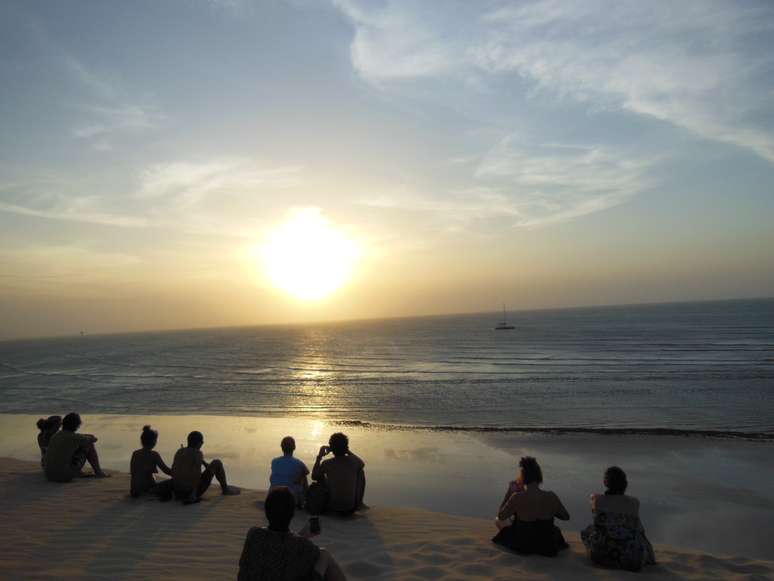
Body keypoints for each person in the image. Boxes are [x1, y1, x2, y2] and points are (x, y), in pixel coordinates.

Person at [238, 486, 347, 581]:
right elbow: (290, 547)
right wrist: (303, 537)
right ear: (292, 514)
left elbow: (280, 544)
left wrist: (302, 535)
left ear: (266, 512)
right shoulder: (303, 546)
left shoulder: (253, 534)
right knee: (324, 555)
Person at [581, 466, 656, 571]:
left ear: (606, 483)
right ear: (625, 483)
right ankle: (648, 557)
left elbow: (594, 502)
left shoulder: (596, 499)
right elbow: (639, 530)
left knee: (587, 531)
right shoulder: (634, 502)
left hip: (601, 555)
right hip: (630, 558)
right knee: (637, 528)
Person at [493, 456, 570, 556]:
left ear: (522, 478)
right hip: (546, 545)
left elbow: (501, 516)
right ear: (539, 477)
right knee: (553, 529)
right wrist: (551, 510)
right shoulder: (551, 496)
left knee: (498, 520)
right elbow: (566, 517)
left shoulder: (517, 497)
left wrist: (509, 493)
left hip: (524, 546)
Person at [171, 430, 239, 502]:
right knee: (217, 462)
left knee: (213, 465)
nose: (202, 443)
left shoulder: (180, 451)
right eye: (202, 441)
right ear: (198, 443)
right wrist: (193, 494)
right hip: (189, 492)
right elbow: (196, 475)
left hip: (177, 491)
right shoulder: (197, 453)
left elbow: (174, 471)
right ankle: (225, 490)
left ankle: (225, 489)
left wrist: (202, 461)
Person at [44, 412, 109, 482]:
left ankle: (79, 472)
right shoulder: (74, 437)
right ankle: (98, 472)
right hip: (63, 476)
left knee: (71, 450)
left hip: (49, 476)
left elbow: (75, 437)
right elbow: (94, 439)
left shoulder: (56, 436)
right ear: (76, 426)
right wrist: (89, 437)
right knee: (88, 445)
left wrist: (83, 436)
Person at [311, 433, 365, 515]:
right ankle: (360, 502)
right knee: (360, 472)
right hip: (351, 508)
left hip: (332, 507)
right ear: (346, 446)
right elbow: (361, 464)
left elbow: (314, 476)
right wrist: (347, 451)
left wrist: (319, 456)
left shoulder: (327, 463)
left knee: (320, 478)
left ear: (331, 448)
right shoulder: (354, 461)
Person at [130, 425, 173, 499]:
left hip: (134, 489)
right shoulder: (154, 454)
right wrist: (179, 473)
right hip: (148, 488)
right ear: (154, 441)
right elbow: (166, 471)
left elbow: (133, 472)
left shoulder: (135, 453)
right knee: (172, 482)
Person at [270, 436, 310, 507]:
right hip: (290, 499)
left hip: (273, 497)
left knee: (274, 476)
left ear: (281, 448)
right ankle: (306, 498)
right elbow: (307, 472)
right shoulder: (298, 463)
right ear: (294, 447)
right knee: (303, 475)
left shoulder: (274, 461)